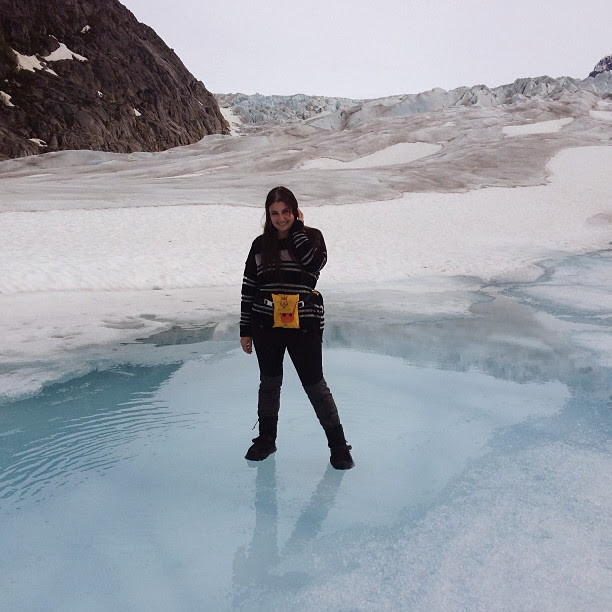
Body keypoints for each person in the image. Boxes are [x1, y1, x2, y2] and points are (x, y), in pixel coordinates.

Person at [240, 186, 354, 470]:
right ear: (268, 214)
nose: (280, 218)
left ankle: (338, 447)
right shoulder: (259, 244)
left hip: (304, 324)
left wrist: (299, 229)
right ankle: (266, 440)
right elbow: (249, 287)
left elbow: (314, 264)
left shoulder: (312, 237)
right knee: (269, 383)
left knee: (315, 384)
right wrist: (245, 328)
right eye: (274, 213)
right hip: (265, 323)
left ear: (295, 211)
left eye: (286, 212)